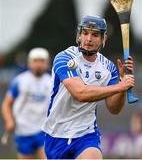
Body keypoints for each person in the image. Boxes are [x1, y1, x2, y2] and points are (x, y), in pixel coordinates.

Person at [42, 15, 135, 159]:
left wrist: (122, 85)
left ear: (104, 39)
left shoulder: (109, 68)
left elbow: (114, 108)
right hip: (56, 135)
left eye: (95, 35)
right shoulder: (64, 58)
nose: (89, 39)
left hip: (86, 135)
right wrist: (119, 86)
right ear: (79, 36)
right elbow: (80, 93)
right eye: (85, 33)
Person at [2, 48, 52, 159]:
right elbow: (6, 104)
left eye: (42, 61)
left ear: (47, 63)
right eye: (35, 61)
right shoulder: (19, 81)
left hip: (43, 130)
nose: (38, 64)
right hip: (23, 130)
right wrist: (9, 120)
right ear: (30, 62)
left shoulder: (51, 82)